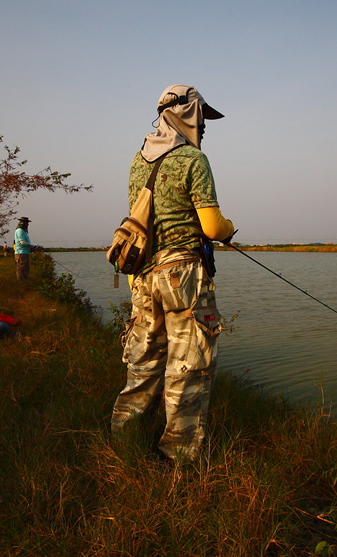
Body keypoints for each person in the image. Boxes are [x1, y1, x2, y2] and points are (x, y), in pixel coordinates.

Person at [111, 84, 236, 461]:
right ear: (187, 113)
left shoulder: (137, 159)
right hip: (183, 274)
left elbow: (140, 219)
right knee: (189, 367)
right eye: (202, 117)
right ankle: (176, 459)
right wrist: (230, 230)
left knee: (144, 362)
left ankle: (123, 440)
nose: (204, 125)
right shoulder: (194, 160)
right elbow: (212, 227)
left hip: (143, 276)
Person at [14, 216, 33, 280]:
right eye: (27, 222)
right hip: (21, 253)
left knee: (25, 269)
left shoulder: (23, 231)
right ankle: (21, 283)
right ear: (23, 223)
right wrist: (31, 246)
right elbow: (22, 242)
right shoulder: (19, 231)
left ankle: (24, 282)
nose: (28, 224)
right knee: (21, 269)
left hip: (24, 253)